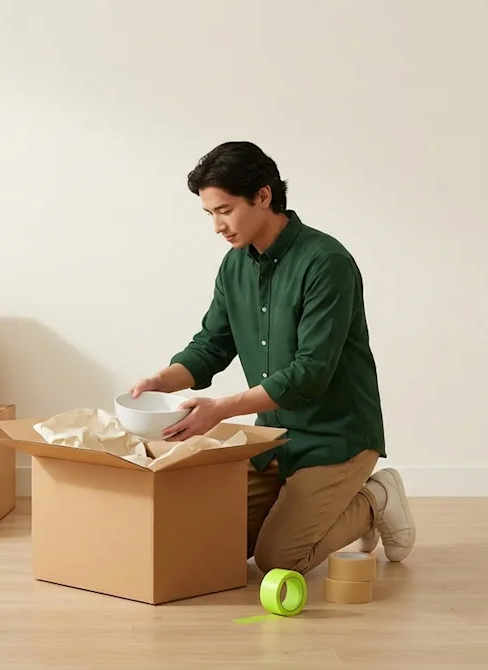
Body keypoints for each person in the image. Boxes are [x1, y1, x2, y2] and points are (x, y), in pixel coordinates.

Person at [129, 141, 415, 574]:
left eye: (224, 210)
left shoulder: (326, 262)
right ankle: (299, 506)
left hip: (336, 437)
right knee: (209, 540)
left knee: (279, 559)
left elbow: (310, 373)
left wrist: (220, 410)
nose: (217, 227)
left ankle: (377, 498)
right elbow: (212, 344)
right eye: (209, 214)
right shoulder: (234, 266)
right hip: (275, 439)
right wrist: (160, 382)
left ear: (263, 196)